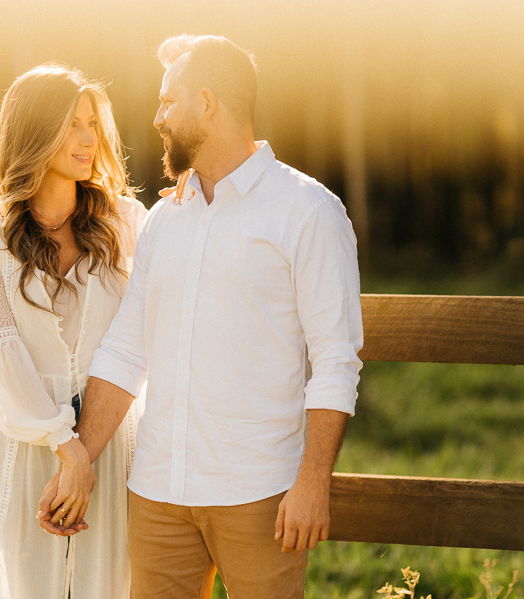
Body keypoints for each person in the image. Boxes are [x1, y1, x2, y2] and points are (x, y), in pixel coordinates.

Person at [38, 34, 363, 598]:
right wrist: (80, 461)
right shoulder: (168, 218)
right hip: (159, 493)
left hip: (259, 494)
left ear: (208, 103)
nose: (158, 117)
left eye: (169, 102)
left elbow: (336, 360)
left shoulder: (308, 211)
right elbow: (126, 350)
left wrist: (313, 483)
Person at [0, 62, 147, 599]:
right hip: (25, 443)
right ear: (34, 131)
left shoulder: (129, 223)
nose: (89, 138)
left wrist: (86, 451)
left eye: (92, 123)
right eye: (72, 124)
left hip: (110, 444)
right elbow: (0, 354)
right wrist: (67, 449)